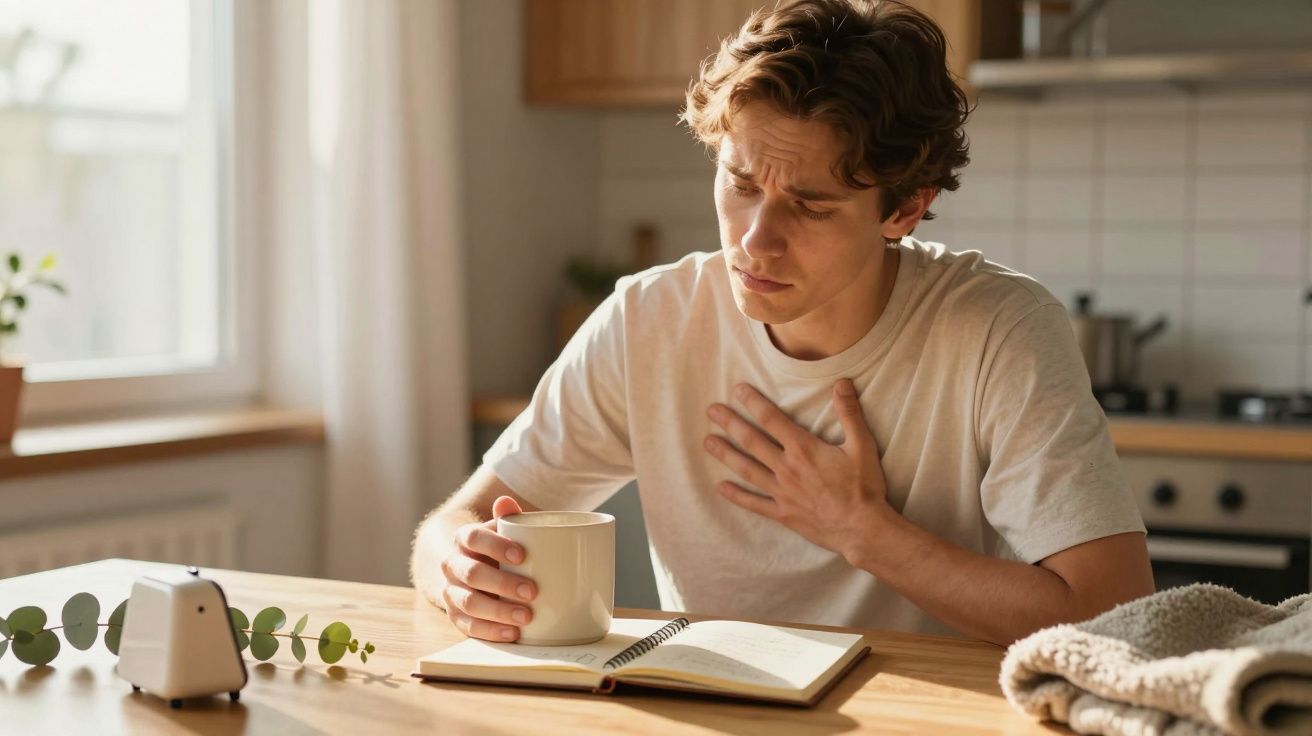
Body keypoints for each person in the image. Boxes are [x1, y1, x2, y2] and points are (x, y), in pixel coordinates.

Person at [410, 0, 1154, 648]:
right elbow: (456, 521)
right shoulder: (649, 320)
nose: (754, 239)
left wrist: (864, 532)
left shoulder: (998, 330)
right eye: (739, 183)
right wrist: (457, 568)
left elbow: (1113, 611)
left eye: (810, 205)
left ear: (903, 208)